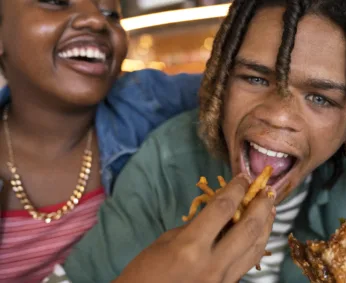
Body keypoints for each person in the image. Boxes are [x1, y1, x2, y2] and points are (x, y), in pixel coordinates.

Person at [61, 0, 346, 282]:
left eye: (320, 98)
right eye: (254, 78)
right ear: (221, 80)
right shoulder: (168, 158)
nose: (278, 115)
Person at [0, 0, 203, 282]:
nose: (96, 21)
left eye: (111, 14)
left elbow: (240, 85)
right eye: (56, 2)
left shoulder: (146, 101)